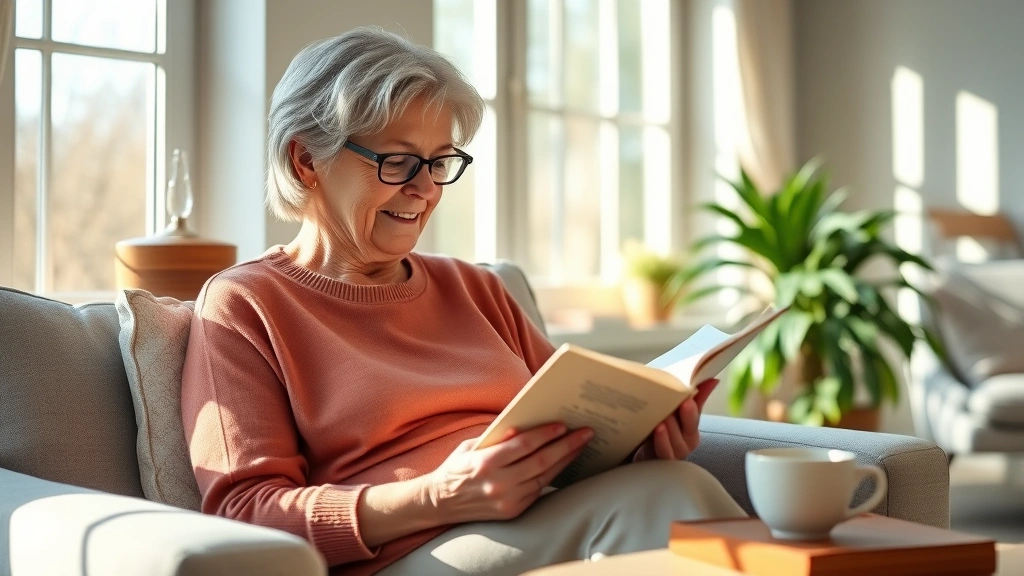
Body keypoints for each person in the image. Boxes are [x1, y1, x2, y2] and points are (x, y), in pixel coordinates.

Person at [180, 26, 746, 576]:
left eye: (440, 162)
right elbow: (244, 514)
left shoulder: (475, 289)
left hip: (541, 520)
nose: (424, 189)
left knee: (669, 490)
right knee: (668, 501)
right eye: (396, 162)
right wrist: (438, 496)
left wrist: (642, 442)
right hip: (405, 551)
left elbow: (572, 432)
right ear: (306, 160)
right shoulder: (245, 304)